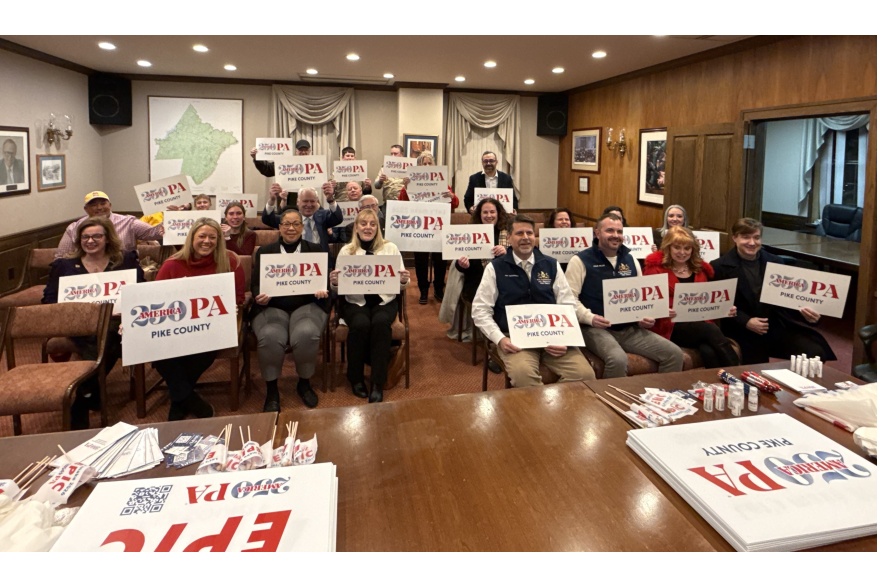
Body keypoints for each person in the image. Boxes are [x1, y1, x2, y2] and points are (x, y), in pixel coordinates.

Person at [42, 216, 144, 429]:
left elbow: (140, 293)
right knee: (104, 336)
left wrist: (126, 310)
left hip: (117, 322)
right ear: (78, 240)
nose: (90, 241)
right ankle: (91, 390)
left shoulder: (125, 260)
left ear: (107, 238)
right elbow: (49, 299)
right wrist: (74, 310)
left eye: (96, 236)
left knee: (108, 332)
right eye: (85, 237)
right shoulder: (65, 265)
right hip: (78, 325)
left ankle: (82, 395)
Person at [472, 214, 595, 387]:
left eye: (529, 233)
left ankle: (560, 412)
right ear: (508, 237)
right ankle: (537, 413)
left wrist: (565, 339)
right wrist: (500, 339)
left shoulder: (551, 265)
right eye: (519, 233)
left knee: (585, 376)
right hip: (514, 339)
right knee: (525, 378)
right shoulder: (495, 268)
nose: (525, 238)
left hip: (554, 336)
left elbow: (568, 304)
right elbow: (480, 310)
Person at [566, 212, 684, 378]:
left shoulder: (630, 260)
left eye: (619, 232)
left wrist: (644, 316)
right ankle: (607, 403)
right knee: (618, 359)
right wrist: (589, 317)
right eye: (610, 231)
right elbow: (569, 300)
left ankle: (659, 398)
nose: (616, 236)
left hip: (629, 328)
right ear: (597, 233)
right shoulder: (580, 261)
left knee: (674, 354)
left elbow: (642, 298)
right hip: (594, 328)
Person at [152, 218, 246, 421]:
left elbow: (238, 297)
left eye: (213, 237)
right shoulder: (172, 265)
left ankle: (179, 400)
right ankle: (188, 399)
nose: (207, 241)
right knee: (159, 352)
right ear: (191, 238)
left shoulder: (230, 261)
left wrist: (232, 307)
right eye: (202, 236)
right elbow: (156, 298)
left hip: (213, 326)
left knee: (203, 349)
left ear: (219, 240)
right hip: (176, 325)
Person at [711, 218, 837, 364]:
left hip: (774, 325)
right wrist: (746, 321)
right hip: (742, 329)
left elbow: (785, 299)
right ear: (734, 238)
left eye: (756, 237)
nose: (752, 243)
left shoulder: (775, 262)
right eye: (745, 237)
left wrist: (805, 314)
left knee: (814, 352)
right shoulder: (718, 267)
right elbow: (720, 306)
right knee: (756, 369)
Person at [252, 209, 330, 412]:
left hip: (307, 304)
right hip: (273, 306)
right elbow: (255, 285)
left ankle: (304, 383)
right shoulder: (265, 252)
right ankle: (272, 390)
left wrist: (324, 290)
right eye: (286, 224)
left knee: (306, 333)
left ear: (302, 228)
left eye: (296, 223)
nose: (291, 228)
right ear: (279, 227)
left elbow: (326, 282)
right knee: (269, 336)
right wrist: (259, 295)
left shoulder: (315, 250)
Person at [329, 209, 411, 403]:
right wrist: (334, 281)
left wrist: (403, 280)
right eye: (363, 224)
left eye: (372, 224)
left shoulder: (390, 248)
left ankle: (377, 382)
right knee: (360, 324)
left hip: (385, 300)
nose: (368, 228)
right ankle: (355, 377)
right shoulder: (346, 251)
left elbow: (402, 285)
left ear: (378, 228)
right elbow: (337, 287)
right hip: (356, 301)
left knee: (381, 323)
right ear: (356, 227)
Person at [643, 226, 740, 368]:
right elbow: (646, 303)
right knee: (710, 330)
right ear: (668, 247)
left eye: (687, 248)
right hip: (669, 325)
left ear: (693, 249)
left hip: (699, 323)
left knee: (708, 351)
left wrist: (724, 308)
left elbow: (707, 300)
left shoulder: (700, 270)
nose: (682, 252)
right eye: (677, 247)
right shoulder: (654, 269)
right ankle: (738, 373)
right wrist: (661, 309)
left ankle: (720, 386)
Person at [399, 152, 459, 304]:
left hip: (439, 227)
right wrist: (406, 187)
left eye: (429, 163)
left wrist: (451, 196)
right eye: (423, 164)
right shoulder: (410, 182)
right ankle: (423, 290)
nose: (426, 166)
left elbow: (455, 204)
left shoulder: (442, 182)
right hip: (419, 227)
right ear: (418, 167)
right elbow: (402, 203)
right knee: (421, 260)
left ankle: (439, 288)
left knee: (440, 260)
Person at [57, 191, 163, 258]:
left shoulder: (128, 222)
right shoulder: (73, 228)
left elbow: (155, 232)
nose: (99, 208)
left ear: (110, 205)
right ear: (86, 209)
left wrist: (172, 215)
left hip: (123, 269)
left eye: (103, 203)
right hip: (85, 273)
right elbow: (61, 256)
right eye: (94, 205)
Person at [261, 188, 342, 253]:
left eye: (312, 201)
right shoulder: (289, 217)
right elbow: (267, 219)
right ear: (297, 202)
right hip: (296, 261)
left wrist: (331, 200)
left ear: (317, 202)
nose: (309, 205)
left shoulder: (323, 216)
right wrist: (272, 200)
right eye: (305, 201)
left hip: (321, 262)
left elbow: (338, 218)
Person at [546, 207, 577, 272]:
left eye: (567, 219)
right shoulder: (545, 239)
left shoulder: (578, 238)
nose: (564, 222)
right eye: (560, 219)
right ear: (553, 223)